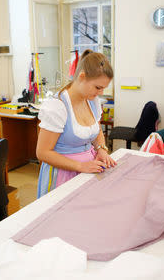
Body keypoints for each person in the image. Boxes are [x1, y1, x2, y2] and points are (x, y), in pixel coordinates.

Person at [36, 50, 116, 198]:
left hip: (87, 170)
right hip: (63, 175)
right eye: (98, 87)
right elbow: (42, 153)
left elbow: (96, 130)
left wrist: (101, 150)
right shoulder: (57, 107)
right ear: (82, 77)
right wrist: (80, 166)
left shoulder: (92, 100)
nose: (100, 92)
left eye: (103, 88)